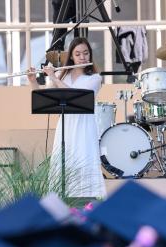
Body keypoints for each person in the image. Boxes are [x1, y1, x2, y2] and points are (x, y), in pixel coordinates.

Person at [28, 37, 106, 199]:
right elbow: (45, 97)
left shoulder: (95, 78)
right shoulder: (61, 76)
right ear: (71, 57)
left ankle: (86, 201)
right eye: (78, 54)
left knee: (83, 160)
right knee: (64, 163)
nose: (82, 57)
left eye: (86, 53)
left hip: (84, 127)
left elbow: (74, 95)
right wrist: (33, 81)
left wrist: (54, 78)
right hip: (66, 126)